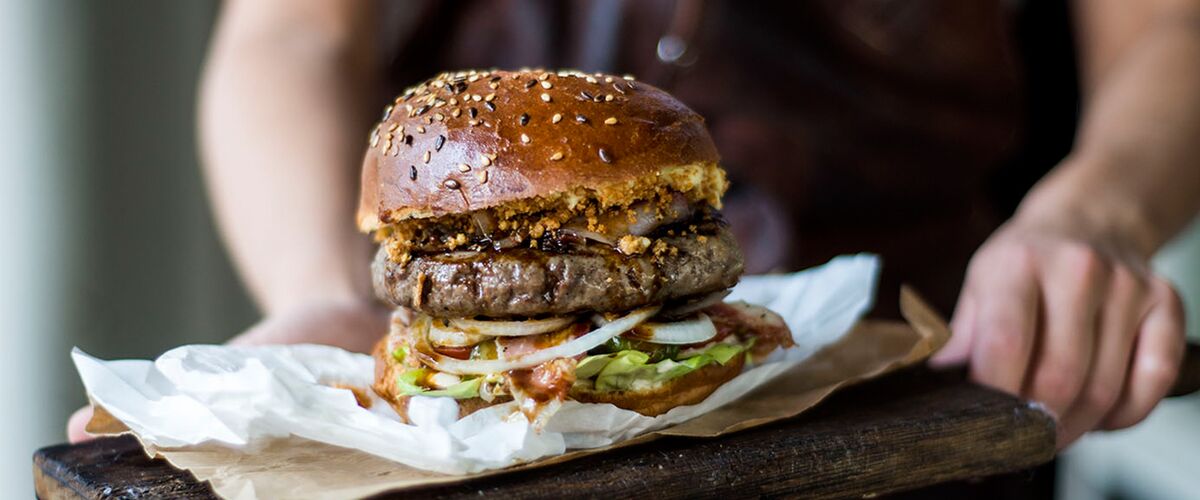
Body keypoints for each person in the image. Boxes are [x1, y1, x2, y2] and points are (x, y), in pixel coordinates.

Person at [70, 0, 1198, 452]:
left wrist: (1093, 206)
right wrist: (333, 289)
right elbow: (291, 34)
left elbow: (1163, 30)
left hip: (921, 383)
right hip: (458, 437)